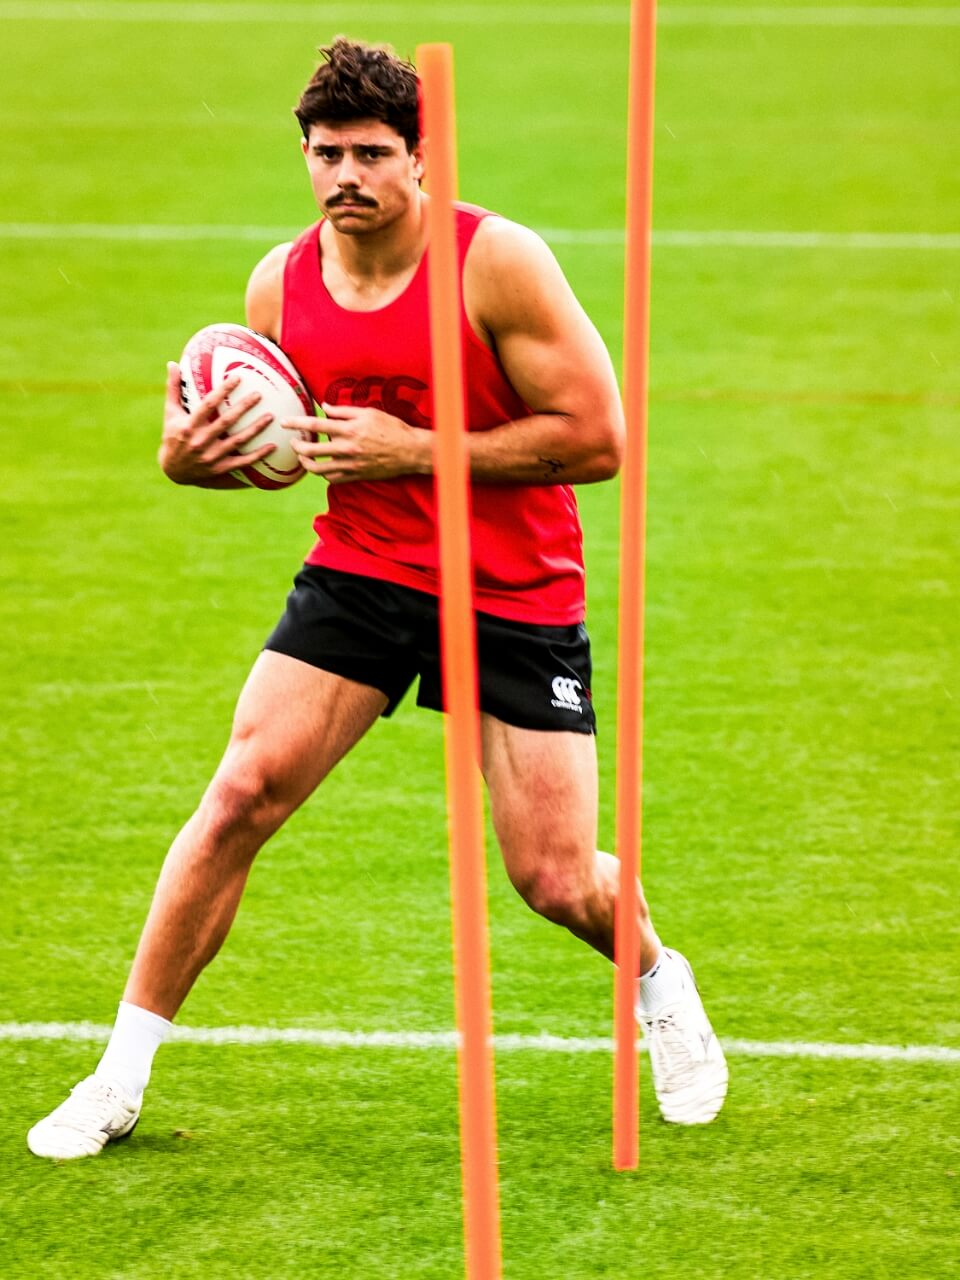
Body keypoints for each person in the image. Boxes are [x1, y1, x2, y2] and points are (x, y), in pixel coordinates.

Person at [27, 37, 726, 1160]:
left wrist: (415, 446)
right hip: (365, 569)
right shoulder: (280, 284)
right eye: (325, 154)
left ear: (421, 157)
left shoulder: (496, 263)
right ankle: (118, 1075)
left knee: (554, 877)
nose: (344, 176)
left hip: (513, 584)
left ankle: (656, 978)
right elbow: (269, 444)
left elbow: (598, 441)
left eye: (369, 154)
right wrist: (191, 459)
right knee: (239, 794)